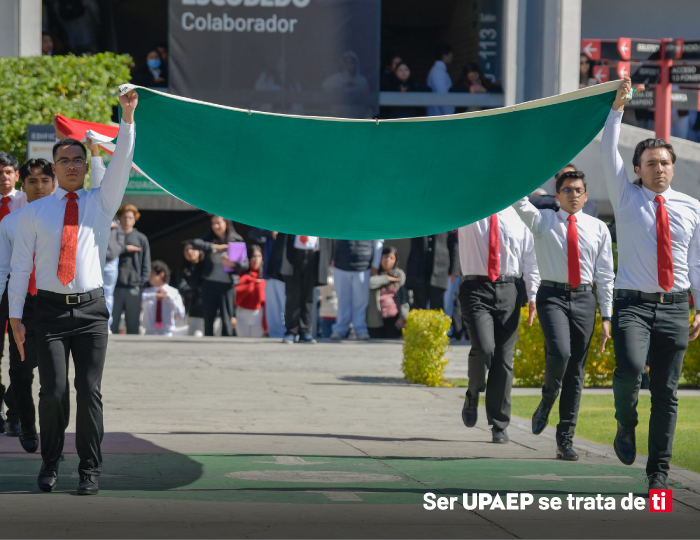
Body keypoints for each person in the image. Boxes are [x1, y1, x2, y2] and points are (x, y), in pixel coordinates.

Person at [9, 89, 138, 495]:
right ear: (54, 167)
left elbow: (121, 163)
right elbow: (20, 267)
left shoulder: (101, 203)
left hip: (91, 313)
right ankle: (50, 462)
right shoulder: (34, 213)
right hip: (47, 312)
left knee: (89, 391)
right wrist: (15, 317)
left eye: (77, 160)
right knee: (52, 392)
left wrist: (128, 119)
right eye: (63, 160)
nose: (71, 166)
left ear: (85, 166)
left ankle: (89, 469)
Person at [601, 78, 700, 491]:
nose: (659, 168)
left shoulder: (692, 207)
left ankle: (658, 473)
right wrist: (617, 110)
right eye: (651, 163)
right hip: (633, 306)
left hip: (675, 307)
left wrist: (699, 306)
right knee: (627, 369)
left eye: (664, 162)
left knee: (666, 393)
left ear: (672, 167)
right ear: (637, 170)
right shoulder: (626, 197)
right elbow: (608, 151)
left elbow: (695, 262)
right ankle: (625, 422)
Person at [512, 170, 614, 460]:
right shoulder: (542, 220)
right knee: (560, 352)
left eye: (578, 190)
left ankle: (565, 440)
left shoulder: (598, 228)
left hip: (584, 298)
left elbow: (606, 275)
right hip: (552, 296)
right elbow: (518, 199)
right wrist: (532, 165)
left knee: (576, 372)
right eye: (567, 190)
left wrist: (607, 315)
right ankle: (547, 399)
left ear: (586, 195)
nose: (573, 195)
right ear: (556, 196)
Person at [458, 207, 540, 444]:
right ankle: (473, 392)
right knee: (484, 348)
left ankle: (499, 425)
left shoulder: (519, 215)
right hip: (475, 288)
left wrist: (533, 295)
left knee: (503, 359)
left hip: (509, 289)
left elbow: (530, 259)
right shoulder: (469, 211)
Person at [0, 159, 60, 452]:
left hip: (55, 301)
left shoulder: (68, 219)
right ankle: (26, 422)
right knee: (21, 370)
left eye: (45, 181)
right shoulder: (11, 222)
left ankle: (53, 436)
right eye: (32, 182)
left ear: (54, 183)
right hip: (20, 302)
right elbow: (4, 268)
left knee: (53, 374)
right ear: (22, 185)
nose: (39, 187)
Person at [0, 151, 28, 436]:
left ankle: (15, 412)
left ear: (16, 175)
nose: (3, 177)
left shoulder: (27, 201)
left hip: (21, 286)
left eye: (8, 171)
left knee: (20, 354)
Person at [192, 216, 249, 337]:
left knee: (226, 318)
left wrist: (233, 264)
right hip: (209, 283)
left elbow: (245, 264)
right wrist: (216, 247)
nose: (215, 226)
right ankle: (208, 341)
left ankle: (226, 343)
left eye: (218, 223)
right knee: (208, 318)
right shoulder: (209, 238)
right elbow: (195, 243)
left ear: (226, 223)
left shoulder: (236, 239)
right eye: (213, 223)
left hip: (227, 285)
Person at [276, 234, 332, 344]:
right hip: (293, 254)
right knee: (292, 296)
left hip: (313, 254)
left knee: (308, 297)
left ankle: (305, 331)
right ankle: (291, 331)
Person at [330, 239, 383, 340]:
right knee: (342, 299)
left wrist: (375, 264)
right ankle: (340, 329)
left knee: (361, 301)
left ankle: (360, 329)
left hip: (363, 264)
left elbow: (378, 241)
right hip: (341, 263)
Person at [111, 204, 150, 335]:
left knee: (133, 324)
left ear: (135, 219)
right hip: (115, 286)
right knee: (112, 323)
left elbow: (146, 262)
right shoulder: (113, 235)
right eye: (124, 217)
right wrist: (124, 249)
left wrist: (142, 282)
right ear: (120, 218)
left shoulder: (141, 238)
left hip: (134, 286)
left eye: (130, 218)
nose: (127, 220)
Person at [405, 232, 459, 311]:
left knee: (438, 307)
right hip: (418, 271)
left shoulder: (445, 225)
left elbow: (454, 245)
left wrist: (454, 270)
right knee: (419, 307)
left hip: (440, 271)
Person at [249, 228, 286, 338]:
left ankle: (290, 332)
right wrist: (270, 232)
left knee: (286, 306)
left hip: (285, 272)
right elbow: (252, 233)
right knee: (272, 308)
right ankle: (275, 335)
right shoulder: (270, 225)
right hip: (269, 272)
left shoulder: (289, 224)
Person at [529, 164, 600, 219]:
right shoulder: (544, 203)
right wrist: (561, 201)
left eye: (573, 175)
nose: (574, 194)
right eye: (565, 177)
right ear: (556, 181)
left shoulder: (591, 207)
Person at [367, 246, 409, 339]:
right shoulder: (374, 273)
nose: (388, 260)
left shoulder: (399, 274)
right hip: (376, 319)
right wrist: (388, 279)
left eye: (391, 258)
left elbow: (404, 297)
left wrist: (403, 317)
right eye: (385, 257)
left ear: (395, 260)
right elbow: (370, 283)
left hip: (394, 319)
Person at [142, 261, 185, 336]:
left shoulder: (173, 292)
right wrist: (154, 296)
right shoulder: (146, 292)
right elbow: (139, 302)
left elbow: (181, 313)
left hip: (167, 333)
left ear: (161, 275)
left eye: (152, 274)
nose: (149, 277)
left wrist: (169, 297)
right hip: (149, 333)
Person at [235, 245, 266, 338]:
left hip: (258, 314)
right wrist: (251, 284)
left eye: (259, 256)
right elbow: (236, 293)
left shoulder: (265, 275)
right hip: (242, 312)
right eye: (254, 256)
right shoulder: (242, 274)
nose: (256, 259)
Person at [178, 241, 205, 336]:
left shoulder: (207, 267)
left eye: (193, 249)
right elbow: (182, 287)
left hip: (213, 310)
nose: (190, 252)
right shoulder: (184, 270)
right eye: (186, 250)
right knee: (195, 335)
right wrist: (196, 290)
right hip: (194, 310)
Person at [426, 44, 455, 116]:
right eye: (450, 54)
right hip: (440, 115)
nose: (452, 56)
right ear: (444, 56)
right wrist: (448, 115)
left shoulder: (438, 70)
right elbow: (442, 95)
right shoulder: (438, 72)